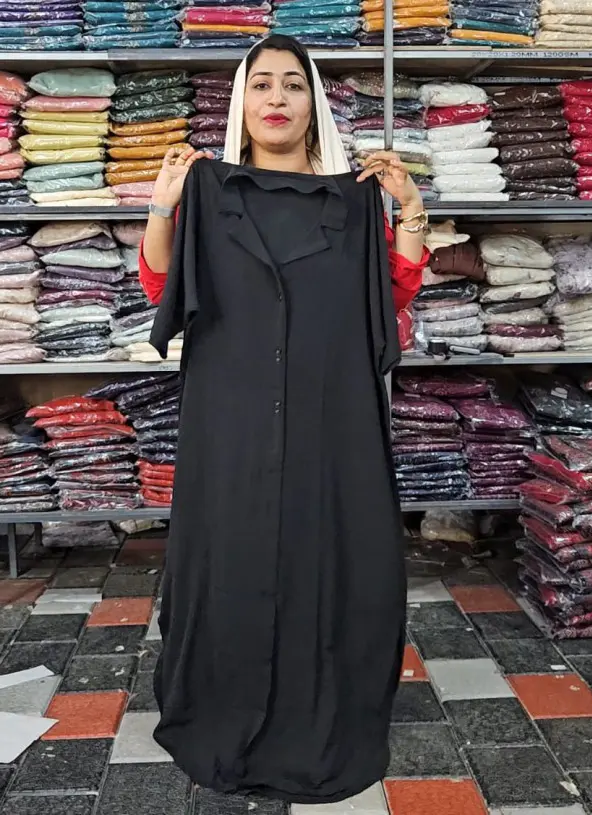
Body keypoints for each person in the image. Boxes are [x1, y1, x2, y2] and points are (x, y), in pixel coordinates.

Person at [139, 35, 429, 806]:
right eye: (262, 84)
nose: (276, 98)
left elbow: (390, 297)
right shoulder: (207, 193)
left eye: (293, 85)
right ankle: (226, 706)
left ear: (312, 102)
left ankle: (316, 712)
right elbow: (160, 285)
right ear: (242, 101)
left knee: (325, 554)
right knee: (231, 555)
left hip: (330, 422)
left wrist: (408, 208)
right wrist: (163, 205)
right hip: (229, 421)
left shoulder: (353, 200)